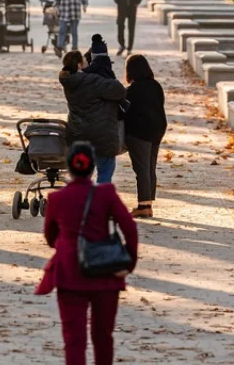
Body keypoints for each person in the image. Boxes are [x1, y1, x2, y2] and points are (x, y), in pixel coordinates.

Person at [35, 142, 138, 365]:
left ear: (69, 168)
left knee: (74, 339)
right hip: (105, 272)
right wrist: (128, 263)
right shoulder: (107, 194)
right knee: (103, 337)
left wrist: (66, 245)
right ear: (92, 167)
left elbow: (50, 237)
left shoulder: (57, 199)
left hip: (69, 272)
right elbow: (130, 228)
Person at [59, 50, 127, 184]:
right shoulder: (93, 80)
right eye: (84, 61)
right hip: (101, 137)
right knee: (105, 172)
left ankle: (81, 197)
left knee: (81, 178)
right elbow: (119, 91)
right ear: (79, 65)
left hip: (78, 136)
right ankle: (100, 197)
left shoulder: (69, 82)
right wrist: (106, 72)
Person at [122, 54, 166, 218]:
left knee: (141, 168)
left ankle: (144, 206)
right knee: (150, 167)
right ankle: (148, 203)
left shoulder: (132, 90)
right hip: (158, 130)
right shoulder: (156, 86)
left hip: (139, 132)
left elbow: (123, 111)